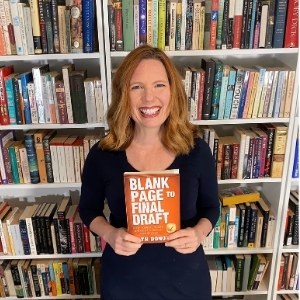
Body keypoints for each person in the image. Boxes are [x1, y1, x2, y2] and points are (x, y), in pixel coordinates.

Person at [79, 45, 220, 300]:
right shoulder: (103, 154)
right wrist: (111, 234)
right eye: (137, 87)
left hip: (186, 283)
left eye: (158, 85)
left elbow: (211, 207)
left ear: (172, 90)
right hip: (124, 283)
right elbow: (89, 210)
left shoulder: (196, 151)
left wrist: (199, 233)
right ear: (124, 95)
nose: (148, 98)